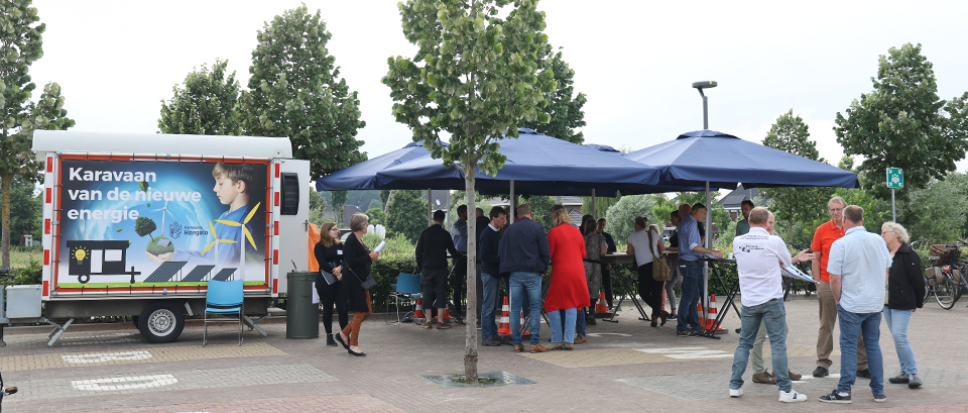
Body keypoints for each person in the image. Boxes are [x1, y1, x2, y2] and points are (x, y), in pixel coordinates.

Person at [729, 207, 812, 402]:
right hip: (771, 300)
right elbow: (785, 265)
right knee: (777, 344)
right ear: (767, 223)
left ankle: (734, 386)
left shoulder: (737, 241)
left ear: (749, 221)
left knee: (744, 344)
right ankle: (785, 391)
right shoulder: (774, 241)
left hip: (749, 301)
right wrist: (797, 258)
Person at [819, 205, 891, 404]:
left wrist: (838, 300)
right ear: (863, 220)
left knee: (849, 346)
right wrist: (877, 291)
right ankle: (878, 391)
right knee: (872, 346)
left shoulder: (841, 244)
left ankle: (844, 391)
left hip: (851, 303)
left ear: (843, 219)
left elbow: (834, 278)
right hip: (874, 304)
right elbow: (886, 270)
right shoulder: (878, 240)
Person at [811, 197, 869, 378]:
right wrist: (817, 282)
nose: (835, 213)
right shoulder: (821, 230)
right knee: (826, 325)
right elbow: (815, 257)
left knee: (856, 325)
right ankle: (822, 363)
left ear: (845, 211)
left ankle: (862, 364)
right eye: (832, 210)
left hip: (851, 284)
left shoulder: (852, 230)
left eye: (838, 209)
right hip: (828, 282)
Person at [750, 212, 802, 383]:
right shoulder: (755, 242)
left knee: (781, 331)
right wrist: (795, 260)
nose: (770, 225)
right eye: (767, 222)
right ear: (760, 223)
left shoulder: (774, 239)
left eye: (772, 222)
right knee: (759, 336)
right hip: (761, 297)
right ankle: (759, 371)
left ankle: (780, 369)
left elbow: (781, 265)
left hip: (772, 296)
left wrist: (793, 262)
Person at [498, 203, 551, 353]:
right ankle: (534, 343)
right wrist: (543, 268)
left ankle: (517, 343)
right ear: (530, 214)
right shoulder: (537, 228)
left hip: (514, 273)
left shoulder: (509, 230)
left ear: (518, 216)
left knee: (515, 308)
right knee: (534, 307)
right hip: (534, 272)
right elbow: (545, 251)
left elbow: (501, 251)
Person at [880, 222, 924, 389]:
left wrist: (917, 302)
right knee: (897, 337)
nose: (882, 235)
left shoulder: (908, 254)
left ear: (895, 234)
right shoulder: (887, 253)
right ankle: (905, 371)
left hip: (902, 302)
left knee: (899, 336)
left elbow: (918, 281)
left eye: (885, 232)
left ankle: (913, 373)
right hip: (887, 302)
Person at [676, 203, 723, 336]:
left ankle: (695, 326)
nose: (704, 216)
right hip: (690, 263)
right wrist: (711, 252)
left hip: (688, 262)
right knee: (688, 296)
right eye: (704, 214)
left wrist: (707, 253)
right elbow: (692, 245)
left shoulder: (687, 222)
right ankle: (681, 327)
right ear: (698, 211)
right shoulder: (690, 224)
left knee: (694, 295)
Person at [545, 209, 589, 350]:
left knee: (551, 304)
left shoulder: (554, 232)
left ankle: (557, 339)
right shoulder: (577, 232)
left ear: (557, 219)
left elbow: (548, 254)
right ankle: (569, 340)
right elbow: (583, 253)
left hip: (561, 272)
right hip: (578, 273)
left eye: (553, 219)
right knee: (572, 305)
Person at [337, 213, 379, 357]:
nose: (367, 225)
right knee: (360, 312)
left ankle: (344, 334)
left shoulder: (358, 240)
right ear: (361, 225)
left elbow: (360, 258)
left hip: (361, 281)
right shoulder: (351, 240)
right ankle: (353, 344)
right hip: (354, 282)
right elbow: (352, 261)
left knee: (367, 311)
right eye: (366, 223)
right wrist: (369, 257)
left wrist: (371, 256)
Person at [415, 210, 460, 329]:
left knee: (427, 293)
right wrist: (459, 254)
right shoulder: (445, 234)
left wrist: (421, 267)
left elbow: (418, 252)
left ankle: (428, 320)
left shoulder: (425, 233)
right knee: (440, 293)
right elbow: (453, 252)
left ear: (433, 218)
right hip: (441, 268)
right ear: (443, 219)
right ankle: (440, 321)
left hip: (427, 268)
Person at [627, 217, 668, 327]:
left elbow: (630, 252)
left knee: (643, 292)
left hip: (644, 267)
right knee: (656, 292)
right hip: (657, 266)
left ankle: (659, 313)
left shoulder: (633, 235)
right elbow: (662, 248)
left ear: (636, 225)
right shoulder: (653, 234)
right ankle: (656, 316)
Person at [314, 222, 348, 347]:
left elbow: (346, 259)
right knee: (328, 308)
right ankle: (329, 336)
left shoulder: (340, 245)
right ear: (326, 231)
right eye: (334, 229)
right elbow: (322, 263)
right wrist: (336, 272)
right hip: (325, 281)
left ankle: (344, 335)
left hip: (339, 281)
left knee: (342, 308)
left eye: (337, 229)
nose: (337, 231)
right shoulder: (319, 246)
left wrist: (340, 269)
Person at [479, 207, 507, 346]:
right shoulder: (488, 233)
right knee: (488, 306)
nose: (504, 221)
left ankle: (492, 334)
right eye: (502, 218)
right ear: (493, 218)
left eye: (504, 218)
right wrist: (500, 259)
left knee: (492, 306)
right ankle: (487, 336)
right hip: (489, 273)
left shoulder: (495, 232)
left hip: (494, 273)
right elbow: (484, 255)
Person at [581, 218, 606, 326]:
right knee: (594, 289)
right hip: (596, 264)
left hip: (584, 264)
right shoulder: (600, 237)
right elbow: (604, 252)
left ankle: (584, 314)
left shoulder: (582, 238)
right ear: (595, 227)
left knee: (583, 289)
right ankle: (592, 312)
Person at [451, 205, 469, 320]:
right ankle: (458, 312)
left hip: (469, 256)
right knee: (458, 285)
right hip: (459, 257)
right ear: (462, 213)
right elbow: (461, 232)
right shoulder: (456, 226)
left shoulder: (468, 225)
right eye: (468, 212)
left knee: (472, 284)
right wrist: (471, 224)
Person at [664, 210, 681, 318]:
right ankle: (674, 311)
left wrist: (666, 248)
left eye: (672, 218)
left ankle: (686, 313)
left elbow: (681, 248)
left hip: (678, 260)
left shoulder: (681, 230)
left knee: (681, 285)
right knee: (668, 285)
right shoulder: (677, 230)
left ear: (678, 217)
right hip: (673, 260)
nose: (671, 220)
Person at [597, 218, 617, 309]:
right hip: (595, 264)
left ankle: (610, 305)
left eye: (603, 224)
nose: (602, 226)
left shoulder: (608, 236)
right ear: (597, 224)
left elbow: (613, 251)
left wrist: (611, 264)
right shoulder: (592, 236)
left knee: (607, 285)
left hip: (606, 264)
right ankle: (592, 307)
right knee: (594, 285)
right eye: (600, 224)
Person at [475, 207, 490, 324]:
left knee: (478, 291)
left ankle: (480, 317)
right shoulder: (490, 227)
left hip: (476, 263)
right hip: (489, 264)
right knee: (490, 291)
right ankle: (489, 317)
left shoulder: (472, 228)